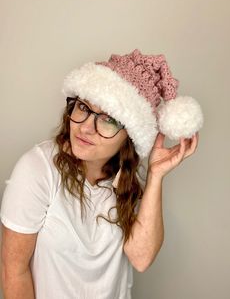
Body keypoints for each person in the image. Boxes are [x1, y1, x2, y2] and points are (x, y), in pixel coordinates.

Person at [0, 49, 203, 299]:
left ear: (129, 136)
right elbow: (14, 270)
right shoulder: (37, 169)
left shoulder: (124, 180)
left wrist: (155, 176)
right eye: (83, 107)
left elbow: (141, 258)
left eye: (107, 119)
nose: (85, 127)